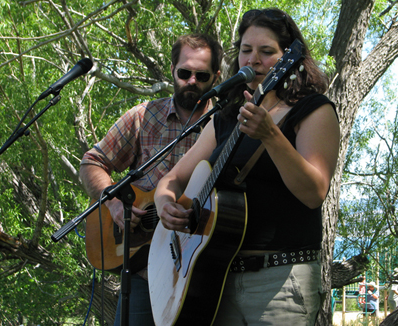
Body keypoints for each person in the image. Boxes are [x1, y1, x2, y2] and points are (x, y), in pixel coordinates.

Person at [154, 7, 340, 326]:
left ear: (289, 58)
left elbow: (314, 192)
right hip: (217, 280)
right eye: (246, 50)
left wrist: (270, 135)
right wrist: (164, 205)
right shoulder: (225, 118)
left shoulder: (313, 110)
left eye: (267, 52)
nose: (253, 60)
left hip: (281, 281)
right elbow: (172, 179)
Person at [79, 33, 223, 326]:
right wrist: (115, 203)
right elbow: (91, 162)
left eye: (202, 75)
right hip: (143, 274)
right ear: (173, 71)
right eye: (184, 73)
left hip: (201, 271)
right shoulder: (143, 116)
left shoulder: (224, 123)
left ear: (216, 77)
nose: (192, 81)